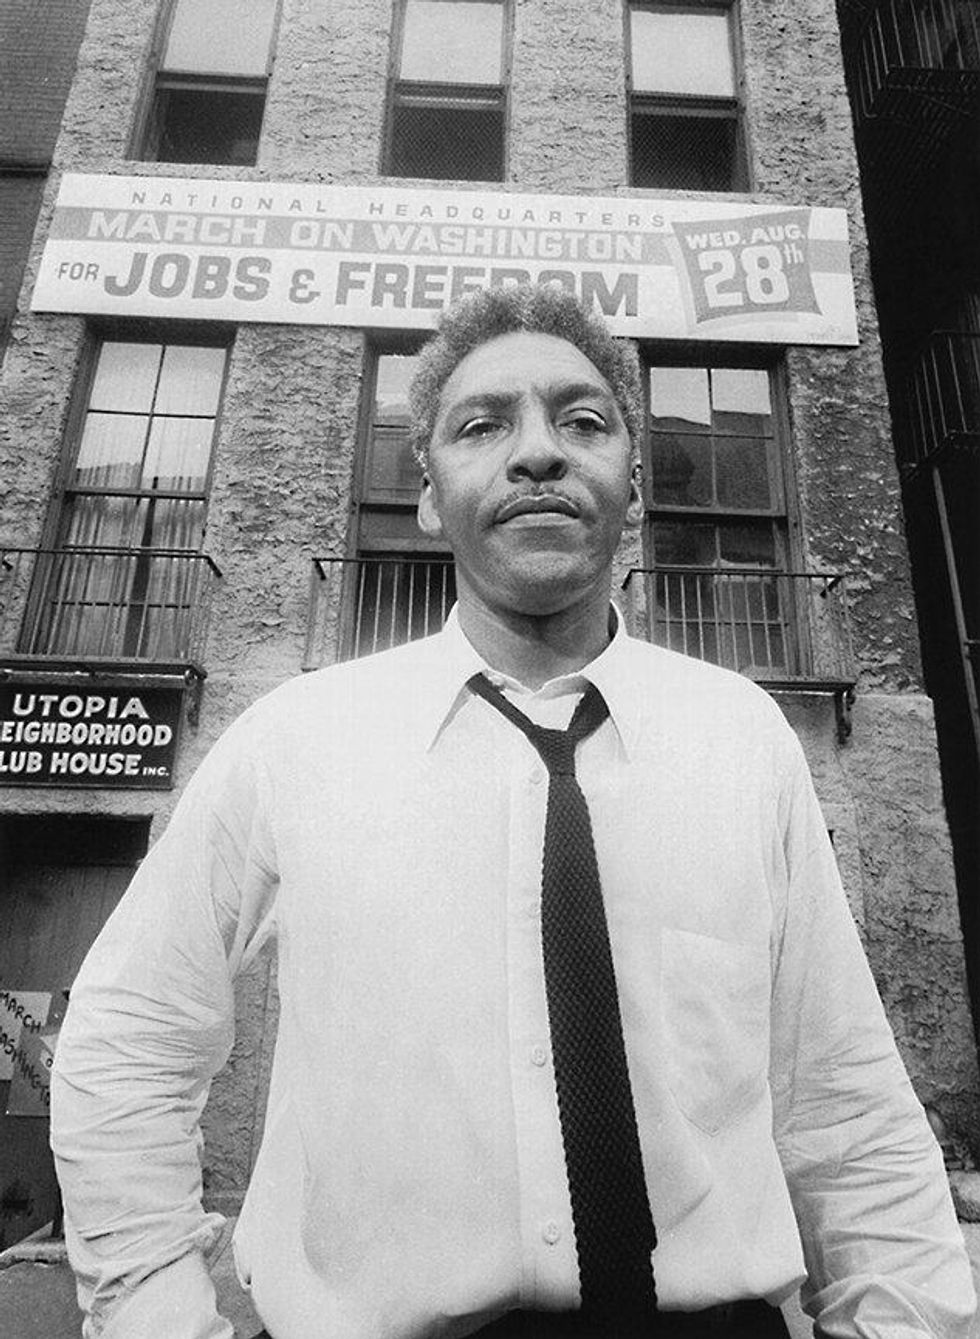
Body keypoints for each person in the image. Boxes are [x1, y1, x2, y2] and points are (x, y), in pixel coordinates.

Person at [51, 284, 975, 1339]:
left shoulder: (743, 741)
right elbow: (131, 1036)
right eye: (483, 425)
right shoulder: (294, 740)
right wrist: (157, 1317)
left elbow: (844, 1104)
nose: (538, 453)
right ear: (431, 495)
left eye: (581, 421)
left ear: (632, 482)